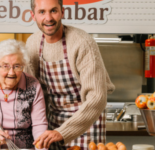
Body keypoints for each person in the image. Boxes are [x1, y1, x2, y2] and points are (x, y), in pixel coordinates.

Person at [24, 0, 116, 149]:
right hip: (53, 122)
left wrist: (63, 132)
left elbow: (97, 97)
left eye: (53, 11)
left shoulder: (82, 42)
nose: (48, 18)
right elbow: (32, 93)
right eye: (42, 12)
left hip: (87, 122)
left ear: (62, 12)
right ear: (33, 15)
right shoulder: (32, 43)